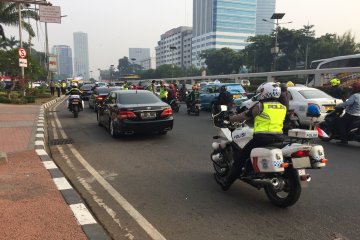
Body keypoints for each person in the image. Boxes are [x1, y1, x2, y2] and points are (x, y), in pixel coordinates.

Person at [214, 82, 286, 191]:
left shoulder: (261, 105)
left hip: (262, 138)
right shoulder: (282, 107)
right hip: (279, 137)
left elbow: (245, 115)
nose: (260, 94)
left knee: (240, 159)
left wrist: (229, 118)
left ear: (266, 92)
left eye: (262, 92)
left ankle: (226, 183)